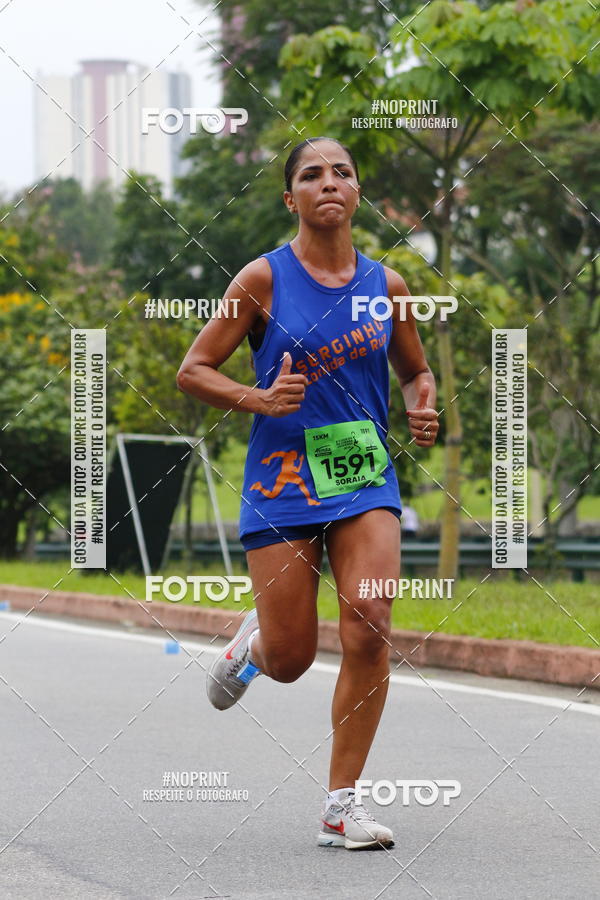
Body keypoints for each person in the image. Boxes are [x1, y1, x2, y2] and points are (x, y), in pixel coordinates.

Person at [177, 136, 439, 850]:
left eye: (344, 173)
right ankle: (253, 648)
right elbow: (193, 370)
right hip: (282, 477)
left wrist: (421, 404)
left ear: (358, 194)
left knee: (371, 617)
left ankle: (341, 806)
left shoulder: (389, 288)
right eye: (312, 174)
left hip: (359, 471)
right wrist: (257, 398)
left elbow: (416, 371)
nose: (331, 183)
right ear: (291, 198)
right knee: (292, 659)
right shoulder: (262, 280)